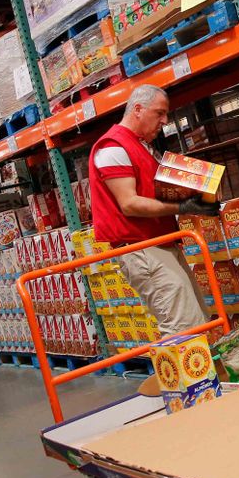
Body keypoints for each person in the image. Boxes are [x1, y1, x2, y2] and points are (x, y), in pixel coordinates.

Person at [89, 84, 216, 336]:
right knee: (181, 325)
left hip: (160, 244)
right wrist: (182, 205)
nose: (164, 121)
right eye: (159, 113)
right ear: (138, 109)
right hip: (142, 249)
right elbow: (130, 203)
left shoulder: (141, 146)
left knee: (198, 318)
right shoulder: (113, 146)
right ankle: (185, 376)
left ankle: (205, 375)